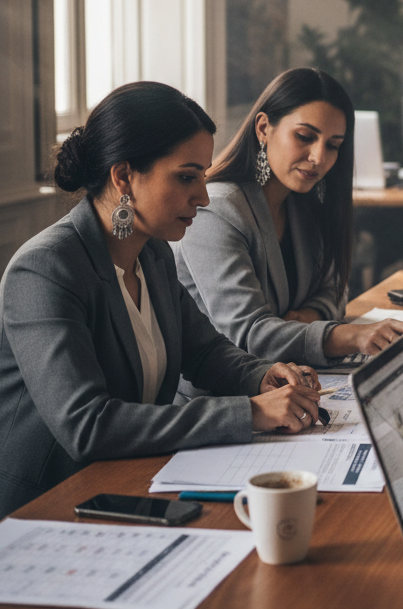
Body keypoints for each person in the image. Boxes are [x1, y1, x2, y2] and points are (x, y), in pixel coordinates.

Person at [0, 82, 325, 519]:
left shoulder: (151, 251)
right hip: (49, 505)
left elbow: (204, 351)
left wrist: (263, 376)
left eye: (204, 178)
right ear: (124, 176)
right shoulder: (44, 270)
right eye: (187, 177)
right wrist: (248, 412)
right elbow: (88, 425)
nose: (203, 196)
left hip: (129, 480)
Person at [174, 68, 403, 373]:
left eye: (333, 145)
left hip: (296, 378)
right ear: (263, 128)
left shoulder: (302, 201)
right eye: (305, 137)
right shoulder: (215, 211)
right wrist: (347, 334)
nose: (318, 157)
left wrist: (311, 315)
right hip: (222, 399)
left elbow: (335, 289)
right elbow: (248, 336)